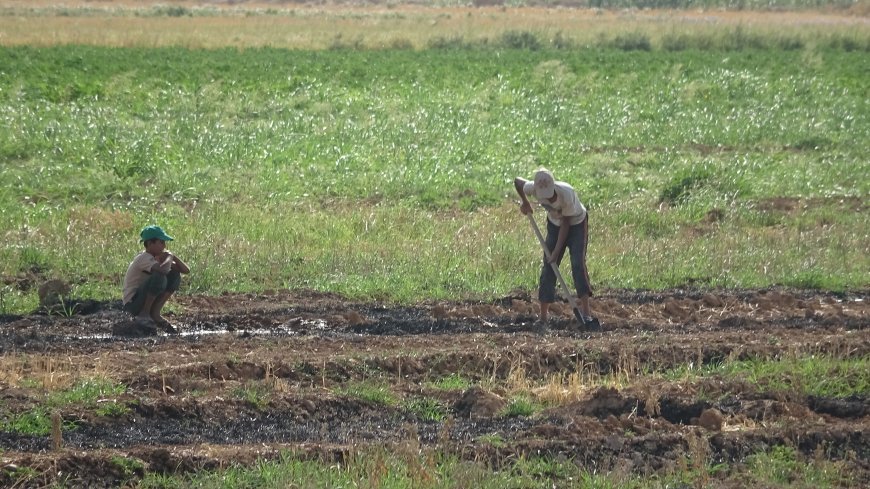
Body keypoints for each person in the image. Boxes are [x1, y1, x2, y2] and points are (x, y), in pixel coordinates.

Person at [514, 168, 598, 327]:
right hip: (554, 225)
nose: (548, 198)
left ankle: (586, 315)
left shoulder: (566, 193)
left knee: (577, 264)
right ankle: (543, 318)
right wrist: (525, 202)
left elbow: (566, 224)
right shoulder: (533, 187)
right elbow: (518, 182)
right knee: (548, 267)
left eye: (550, 194)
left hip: (576, 224)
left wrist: (556, 252)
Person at [122, 225, 190, 333]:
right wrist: (169, 257)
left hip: (141, 299)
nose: (164, 245)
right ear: (150, 243)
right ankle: (144, 314)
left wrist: (173, 256)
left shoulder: (157, 258)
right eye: (161, 242)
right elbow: (163, 270)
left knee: (175, 274)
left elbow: (186, 270)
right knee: (160, 276)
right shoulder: (143, 258)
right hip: (133, 304)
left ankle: (155, 313)